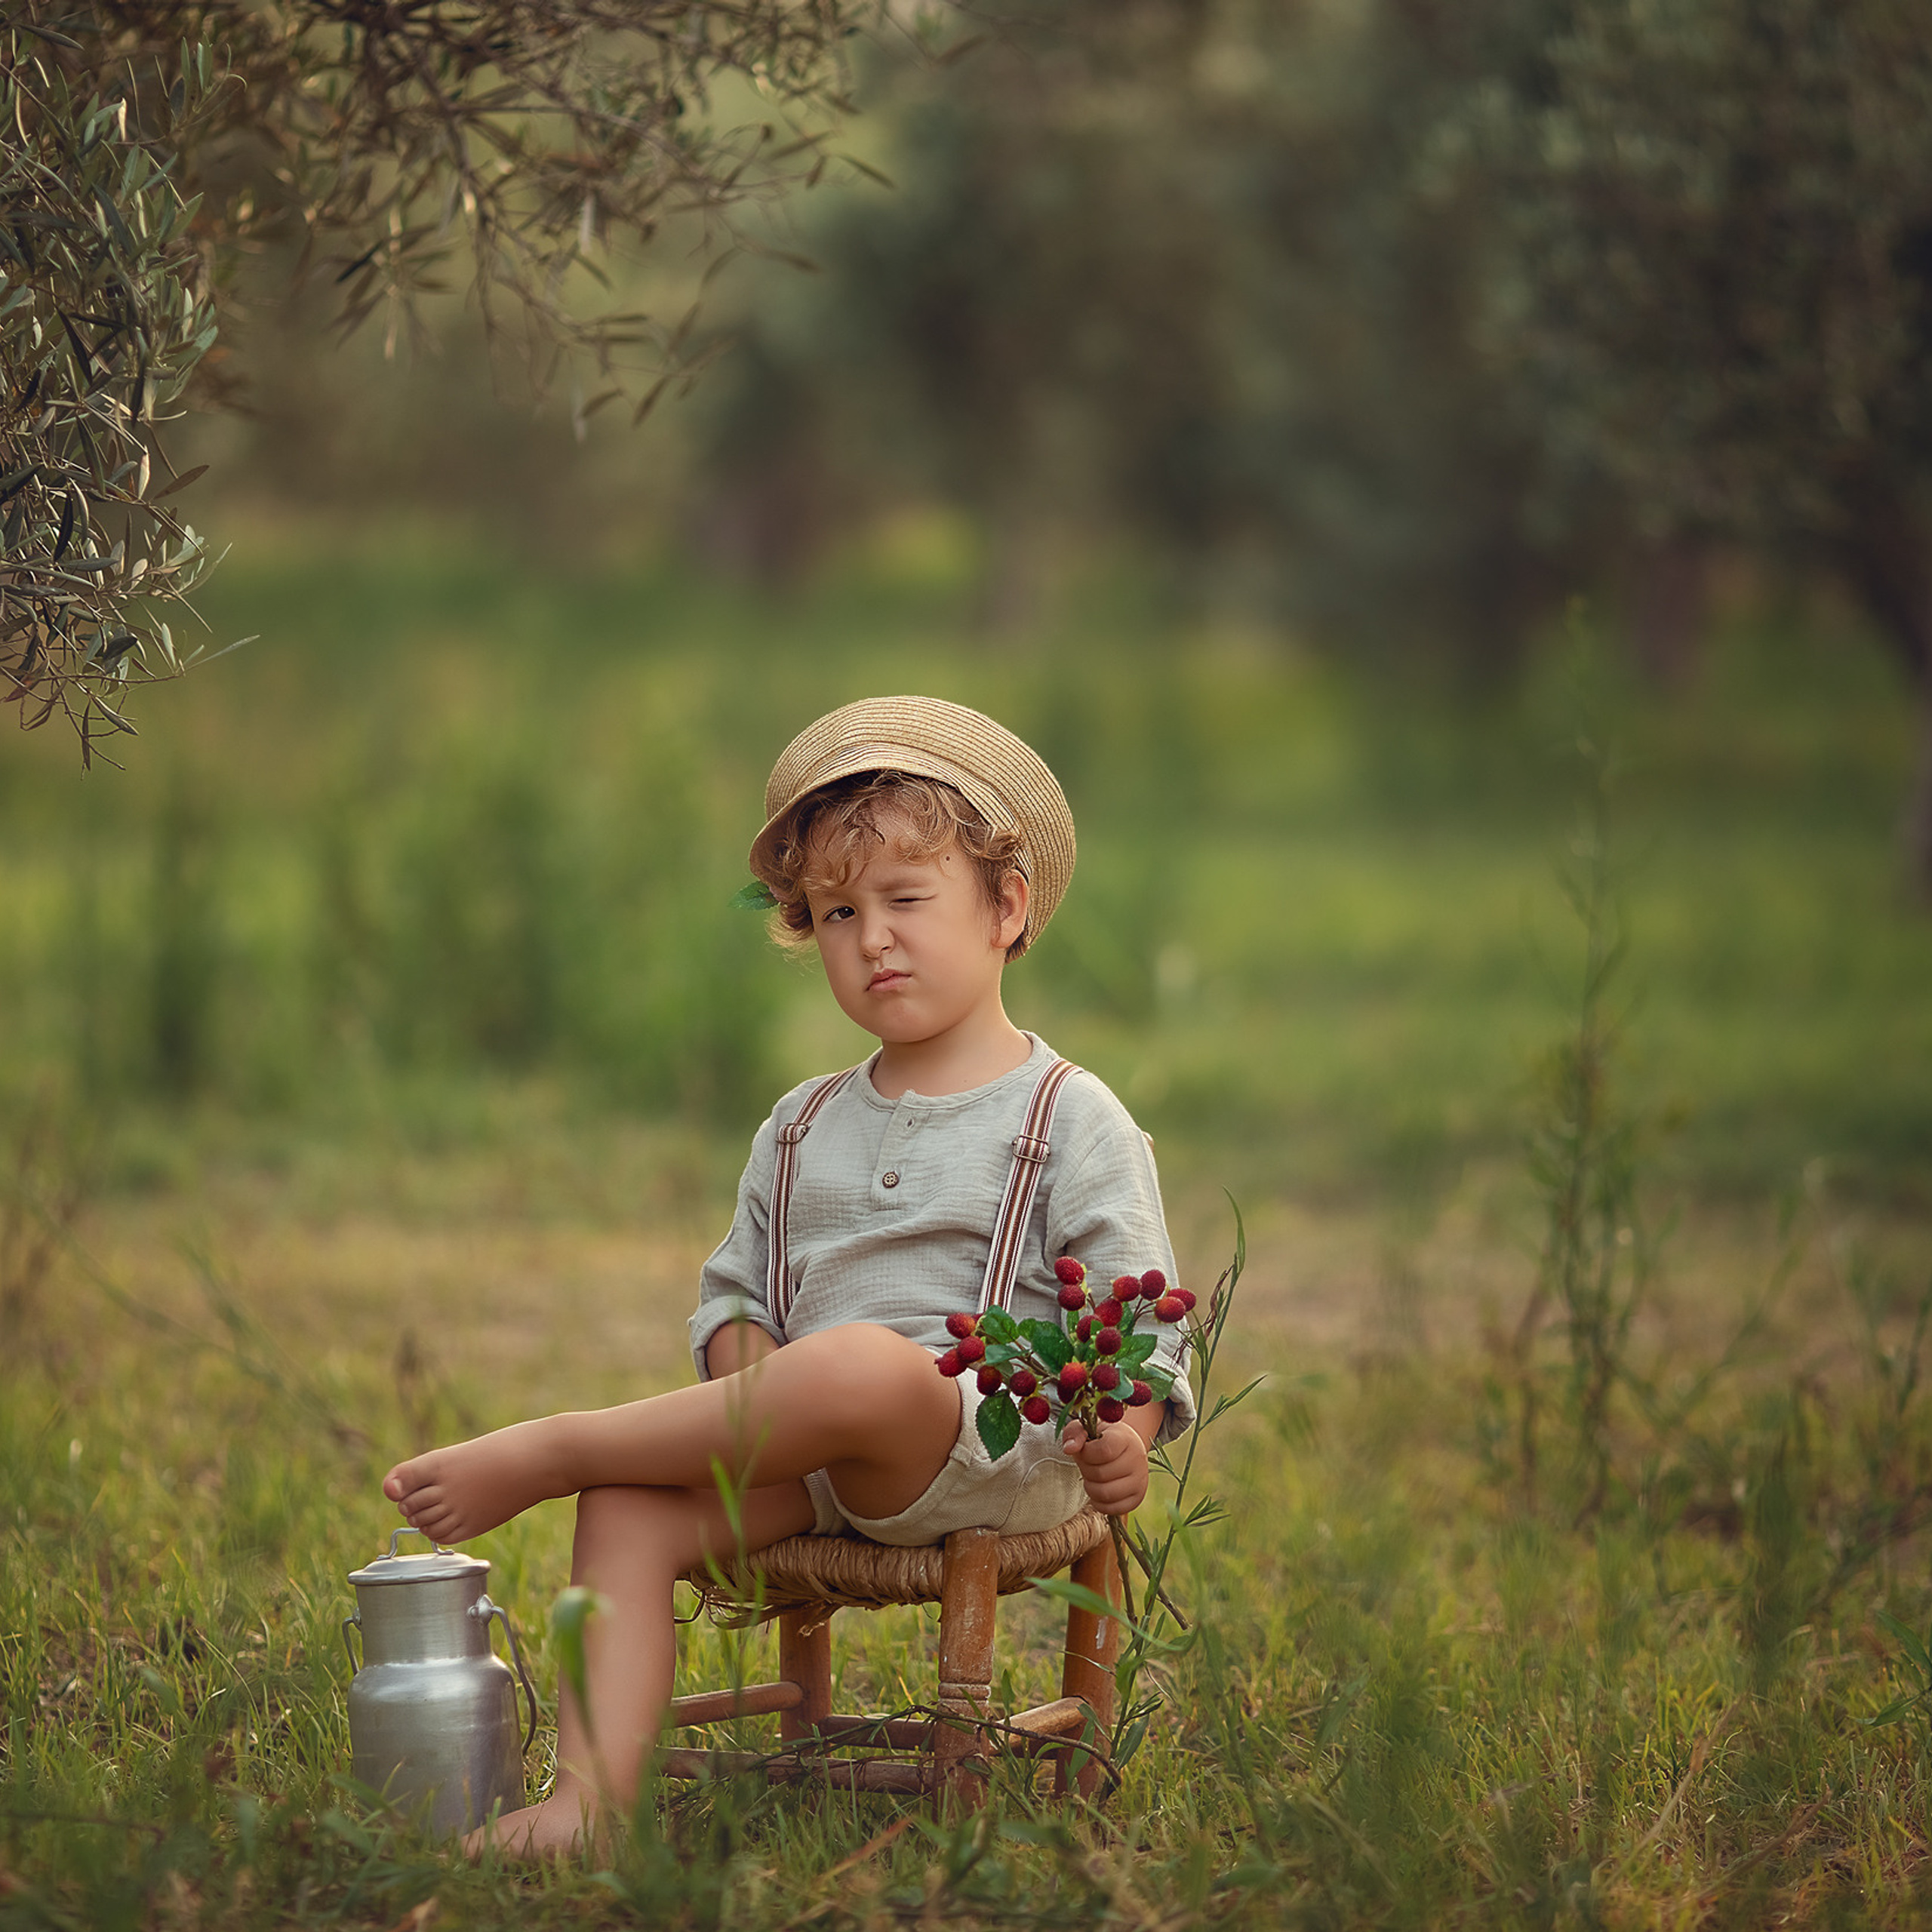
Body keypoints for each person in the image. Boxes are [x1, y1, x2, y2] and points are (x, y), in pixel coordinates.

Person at [380, 695, 1192, 1857]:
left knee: (859, 1361)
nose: (873, 939)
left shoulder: (1072, 1115)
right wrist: (751, 1378)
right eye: (838, 913)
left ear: (1007, 907)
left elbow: (1136, 1312)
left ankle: (559, 1446)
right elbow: (739, 1298)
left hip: (995, 1449)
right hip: (818, 1461)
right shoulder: (801, 1124)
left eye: (908, 901)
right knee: (631, 1507)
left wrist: (1125, 1424)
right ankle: (590, 1803)